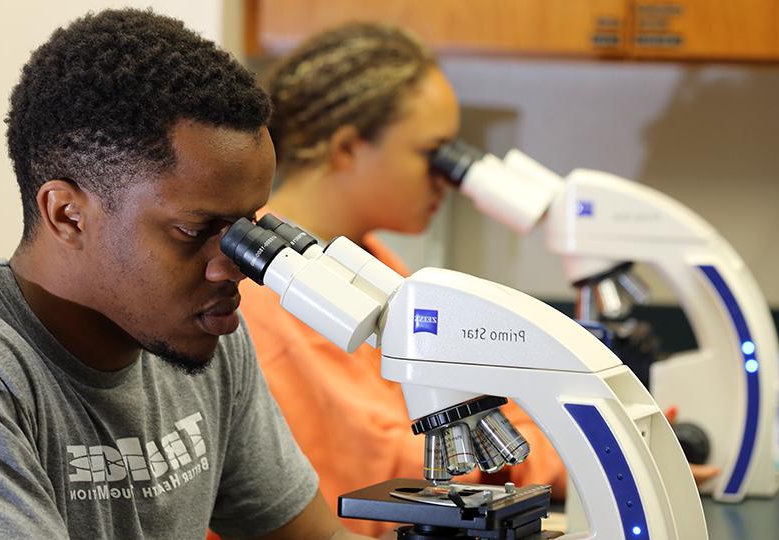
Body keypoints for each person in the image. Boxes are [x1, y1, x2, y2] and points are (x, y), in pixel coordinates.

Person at [0, 9, 372, 540]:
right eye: (196, 230)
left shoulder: (202, 331)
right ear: (67, 214)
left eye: (248, 226)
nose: (234, 265)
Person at [238, 23, 567, 538]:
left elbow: (481, 401)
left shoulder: (374, 264)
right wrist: (565, 454)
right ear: (347, 148)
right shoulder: (262, 292)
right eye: (433, 153)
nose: (448, 179)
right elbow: (384, 469)